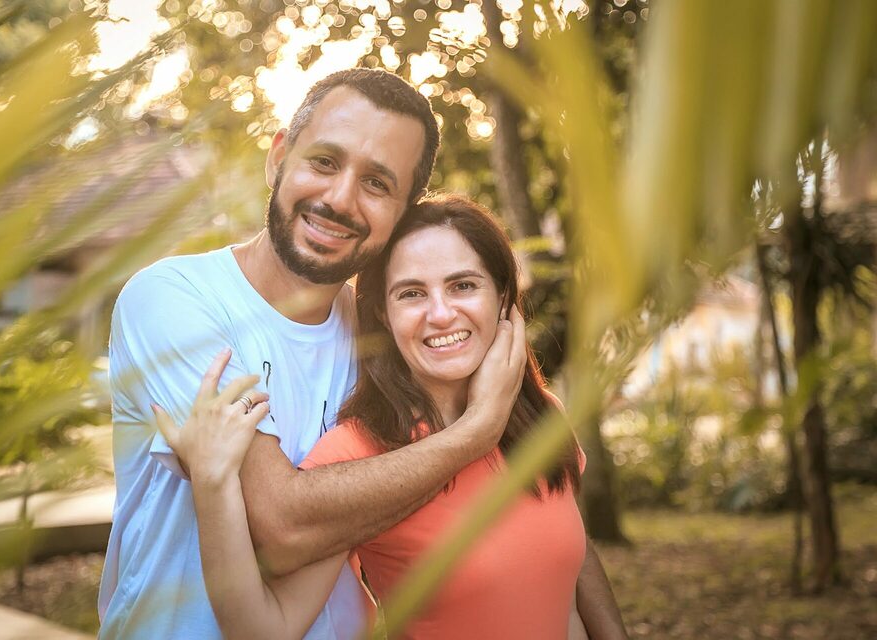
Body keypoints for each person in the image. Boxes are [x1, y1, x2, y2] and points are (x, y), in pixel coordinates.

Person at [98, 68, 536, 640]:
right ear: (278, 157)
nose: (339, 199)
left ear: (401, 215)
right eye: (324, 162)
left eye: (376, 183)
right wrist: (476, 430)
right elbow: (280, 527)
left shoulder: (385, 336)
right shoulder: (174, 300)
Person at [156, 193, 628, 639]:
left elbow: (574, 560)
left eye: (463, 285)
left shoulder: (542, 415)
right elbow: (265, 628)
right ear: (382, 313)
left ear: (503, 297)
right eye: (412, 294)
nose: (440, 314)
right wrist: (213, 482)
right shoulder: (356, 451)